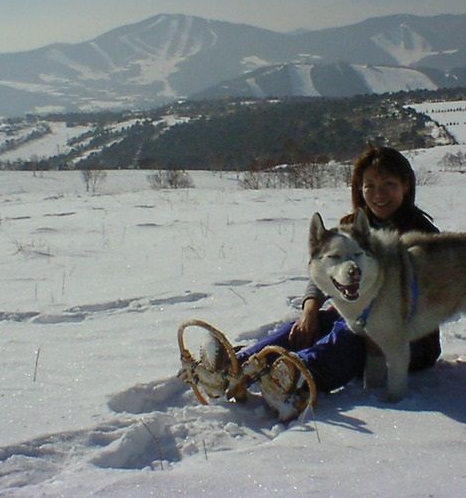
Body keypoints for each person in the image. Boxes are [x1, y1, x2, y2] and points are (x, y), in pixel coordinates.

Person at [179, 146, 442, 419]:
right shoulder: (352, 227)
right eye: (370, 185)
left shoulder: (423, 237)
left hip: (411, 342)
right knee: (308, 327)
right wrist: (309, 311)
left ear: (406, 185)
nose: (378, 194)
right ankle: (238, 367)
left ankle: (297, 376)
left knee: (349, 331)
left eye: (389, 184)